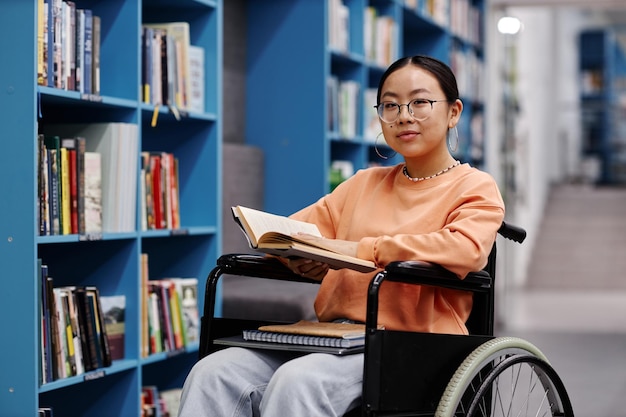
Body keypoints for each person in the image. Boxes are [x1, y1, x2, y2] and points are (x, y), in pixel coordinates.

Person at [178, 55, 505, 417]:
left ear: (453, 112)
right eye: (390, 105)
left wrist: (363, 250)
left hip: (410, 345)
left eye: (420, 102)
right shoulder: (364, 183)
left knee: (299, 381)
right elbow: (292, 233)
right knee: (213, 372)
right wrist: (297, 258)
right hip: (332, 336)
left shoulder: (474, 186)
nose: (404, 115)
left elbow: (466, 249)